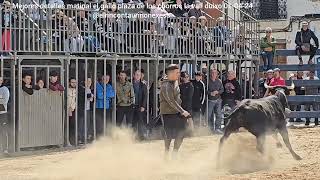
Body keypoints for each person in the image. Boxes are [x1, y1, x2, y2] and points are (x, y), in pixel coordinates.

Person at [159, 64, 190, 159]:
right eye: (177, 72)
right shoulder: (165, 85)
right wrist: (182, 111)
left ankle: (175, 153)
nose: (179, 74)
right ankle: (166, 153)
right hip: (167, 113)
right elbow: (171, 101)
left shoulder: (175, 81)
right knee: (169, 136)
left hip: (176, 112)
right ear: (171, 73)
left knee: (182, 132)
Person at [132, 70, 148, 140]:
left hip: (140, 106)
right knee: (133, 122)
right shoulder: (130, 84)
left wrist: (143, 106)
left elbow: (145, 96)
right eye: (136, 75)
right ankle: (134, 137)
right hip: (132, 105)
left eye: (139, 75)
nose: (138, 76)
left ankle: (141, 137)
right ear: (133, 75)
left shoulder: (143, 85)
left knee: (141, 121)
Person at [207, 68, 224, 133]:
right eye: (212, 72)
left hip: (218, 100)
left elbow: (222, 90)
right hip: (210, 100)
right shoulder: (207, 81)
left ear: (217, 74)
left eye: (215, 73)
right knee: (209, 116)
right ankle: (210, 129)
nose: (214, 74)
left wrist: (218, 92)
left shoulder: (219, 81)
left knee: (219, 115)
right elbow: (204, 90)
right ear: (210, 73)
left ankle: (217, 128)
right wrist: (210, 93)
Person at [0, 77, 9, 153]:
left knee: (3, 131)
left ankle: (4, 149)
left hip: (2, 114)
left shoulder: (5, 89)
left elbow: (4, 101)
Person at [67, 78, 77, 145]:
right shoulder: (67, 90)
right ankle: (67, 141)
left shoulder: (76, 90)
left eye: (75, 82)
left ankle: (71, 141)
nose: (74, 83)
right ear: (69, 83)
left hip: (73, 110)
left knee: (72, 126)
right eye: (72, 82)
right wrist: (68, 108)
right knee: (67, 126)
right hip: (67, 110)